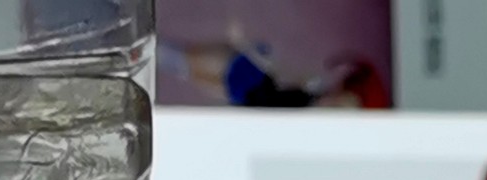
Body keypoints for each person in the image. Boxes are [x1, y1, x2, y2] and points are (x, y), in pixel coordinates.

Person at [159, 28, 388, 109]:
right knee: (183, 59)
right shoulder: (315, 87)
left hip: (245, 94)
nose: (340, 103)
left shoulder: (315, 110)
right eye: (347, 99)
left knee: (183, 65)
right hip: (248, 74)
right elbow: (283, 69)